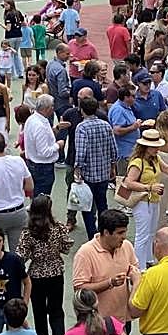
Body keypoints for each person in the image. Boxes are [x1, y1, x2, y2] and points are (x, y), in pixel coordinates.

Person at [17, 195, 73, 335]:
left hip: (36, 275)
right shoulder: (59, 228)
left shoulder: (28, 232)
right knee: (56, 311)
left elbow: (22, 255)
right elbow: (66, 247)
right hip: (56, 273)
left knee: (39, 312)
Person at [121, 128, 168, 269]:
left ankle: (148, 259)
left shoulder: (155, 158)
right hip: (142, 202)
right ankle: (139, 266)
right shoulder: (138, 162)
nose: (157, 149)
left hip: (154, 201)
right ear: (146, 147)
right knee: (142, 235)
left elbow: (167, 169)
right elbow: (128, 182)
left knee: (151, 233)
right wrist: (149, 187)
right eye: (154, 147)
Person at [74, 96, 116, 238]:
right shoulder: (106, 125)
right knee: (102, 203)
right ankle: (104, 232)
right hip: (103, 172)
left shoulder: (82, 127)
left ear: (81, 110)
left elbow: (81, 152)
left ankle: (92, 235)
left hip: (88, 174)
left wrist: (77, 169)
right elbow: (113, 149)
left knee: (87, 206)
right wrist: (112, 166)